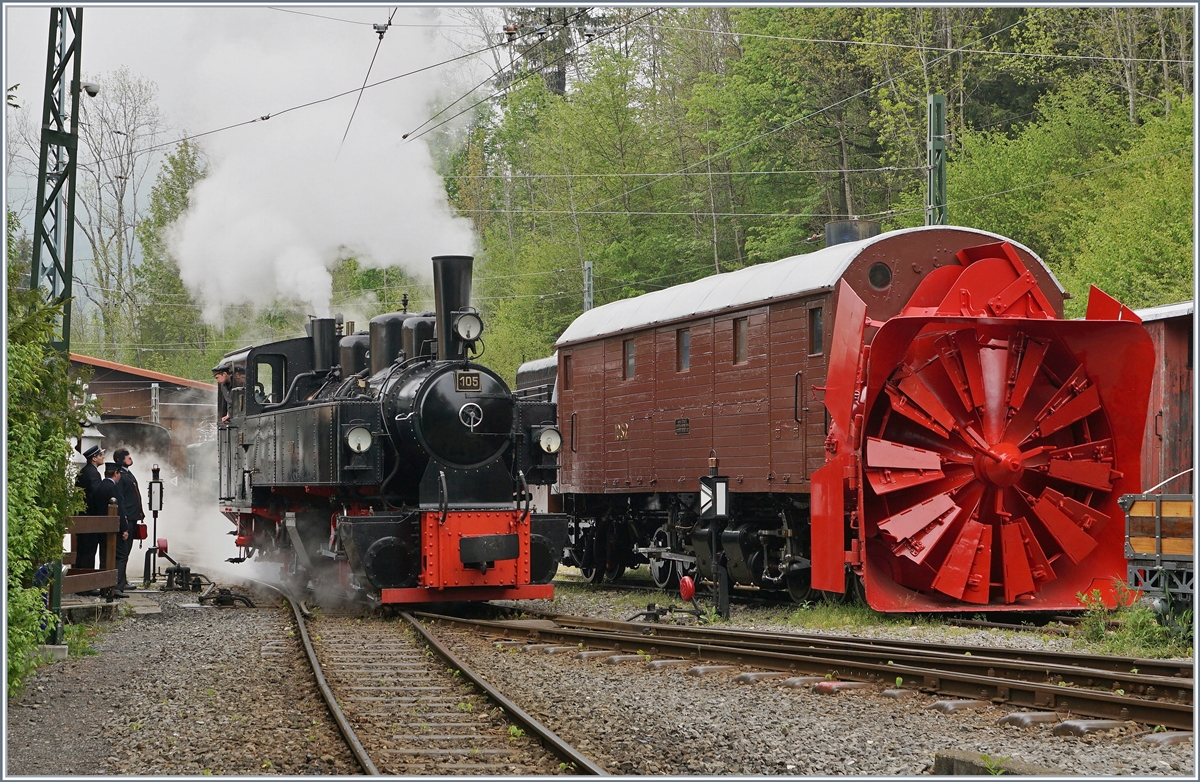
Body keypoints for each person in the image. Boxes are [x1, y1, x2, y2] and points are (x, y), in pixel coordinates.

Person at [111, 448, 145, 593]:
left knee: (127, 550)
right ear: (120, 459)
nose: (130, 458)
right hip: (127, 517)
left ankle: (122, 580)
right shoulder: (121, 475)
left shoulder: (127, 473)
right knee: (123, 551)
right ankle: (119, 584)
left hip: (132, 517)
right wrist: (124, 517)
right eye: (127, 457)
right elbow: (121, 498)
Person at [72, 445, 106, 574]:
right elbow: (96, 496)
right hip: (91, 517)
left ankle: (79, 579)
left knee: (82, 550)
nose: (102, 457)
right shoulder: (93, 474)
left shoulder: (83, 472)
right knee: (89, 551)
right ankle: (86, 583)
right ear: (94, 458)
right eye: (100, 455)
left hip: (82, 515)